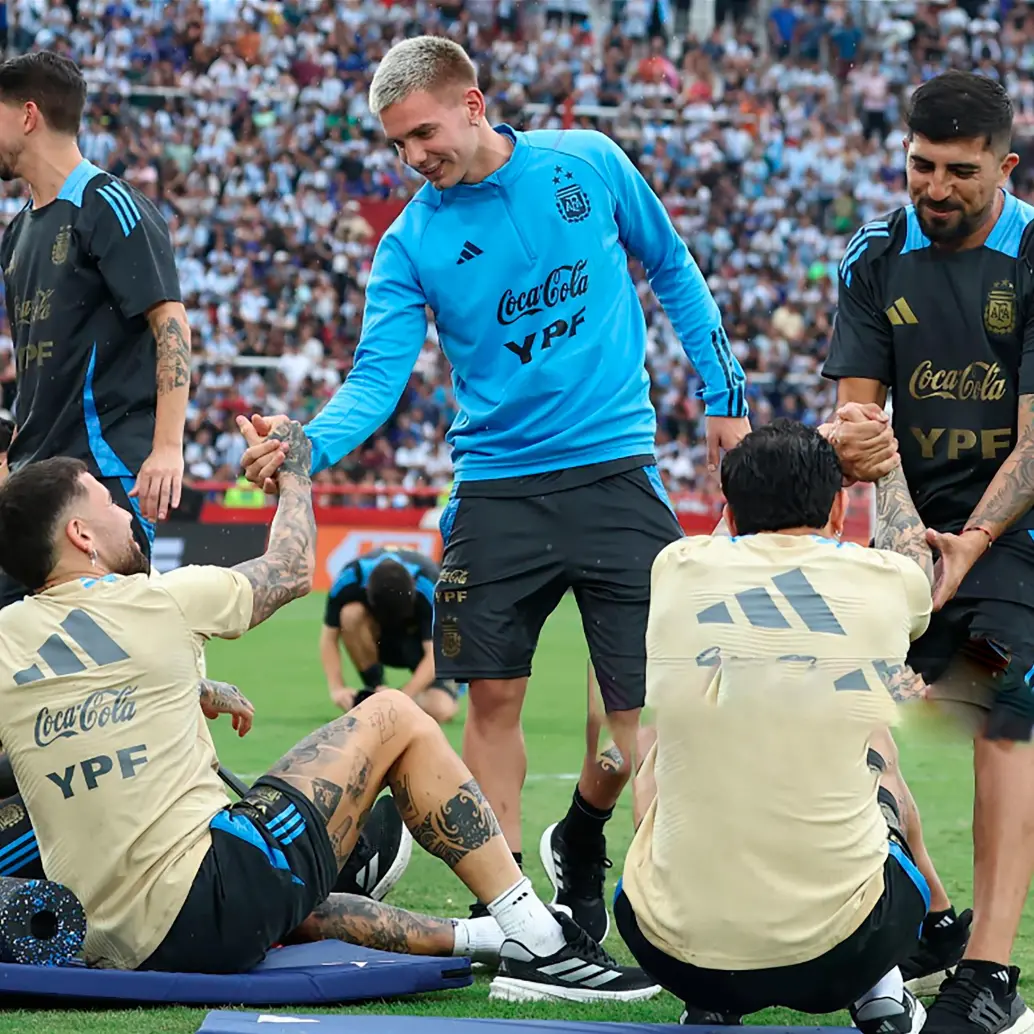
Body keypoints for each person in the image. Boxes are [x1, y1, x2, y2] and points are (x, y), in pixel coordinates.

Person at [237, 34, 750, 942]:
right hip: (495, 489)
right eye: (397, 145)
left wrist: (723, 397)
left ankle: (674, 903)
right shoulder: (410, 240)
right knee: (495, 699)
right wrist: (305, 441)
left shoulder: (586, 161)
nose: (413, 159)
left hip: (617, 470)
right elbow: (376, 378)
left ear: (473, 104)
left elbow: (672, 265)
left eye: (423, 134)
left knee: (639, 705)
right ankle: (516, 916)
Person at [0, 422, 660, 1004]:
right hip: (211, 901)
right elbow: (289, 569)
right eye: (109, 502)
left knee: (284, 888)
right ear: (81, 533)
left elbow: (70, 694)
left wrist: (192, 692)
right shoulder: (158, 600)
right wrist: (294, 472)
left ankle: (486, 937)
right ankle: (539, 938)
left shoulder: (7, 641)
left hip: (101, 937)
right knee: (394, 714)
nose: (125, 513)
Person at [615, 418, 952, 1033]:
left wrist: (805, 454)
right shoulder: (881, 580)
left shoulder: (677, 568)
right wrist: (882, 460)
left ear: (733, 508)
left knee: (658, 747)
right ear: (838, 506)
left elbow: (729, 528)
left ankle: (713, 1000)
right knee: (874, 737)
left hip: (668, 949)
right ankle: (881, 993)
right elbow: (915, 560)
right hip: (843, 953)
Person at [822, 70, 1034, 1034]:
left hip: (1017, 536)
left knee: (1001, 707)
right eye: (919, 167)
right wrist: (909, 538)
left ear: (1004, 166)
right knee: (841, 704)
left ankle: (988, 971)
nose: (933, 188)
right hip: (912, 528)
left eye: (957, 171)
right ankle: (936, 915)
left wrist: (973, 542)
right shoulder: (872, 258)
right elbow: (858, 426)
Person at [0, 50, 189, 609]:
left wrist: (167, 449)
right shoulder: (16, 234)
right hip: (33, 478)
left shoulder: (105, 203)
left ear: (27, 115)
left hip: (101, 476)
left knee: (112, 655)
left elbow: (170, 322)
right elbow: (38, 365)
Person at [321, 546, 460, 724]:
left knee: (440, 709)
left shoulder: (430, 586)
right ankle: (375, 688)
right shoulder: (350, 579)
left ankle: (388, 701)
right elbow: (329, 637)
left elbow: (436, 655)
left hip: (423, 644)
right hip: (380, 641)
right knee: (350, 614)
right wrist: (337, 688)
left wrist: (403, 696)